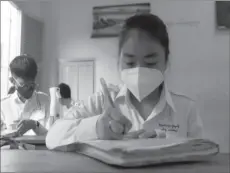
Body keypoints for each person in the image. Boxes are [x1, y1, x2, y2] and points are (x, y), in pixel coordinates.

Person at [46, 14, 203, 150]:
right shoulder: (101, 102)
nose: (139, 70)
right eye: (129, 63)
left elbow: (201, 154)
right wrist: (97, 128)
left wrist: (166, 142)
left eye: (150, 63)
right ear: (119, 62)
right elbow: (53, 136)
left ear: (166, 61)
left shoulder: (186, 110)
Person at [1, 55, 50, 136]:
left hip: (40, 148)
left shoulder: (45, 101)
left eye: (32, 85)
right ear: (12, 81)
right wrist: (10, 131)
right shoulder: (3, 105)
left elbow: (52, 134)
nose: (29, 89)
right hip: (12, 148)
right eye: (24, 85)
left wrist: (35, 125)